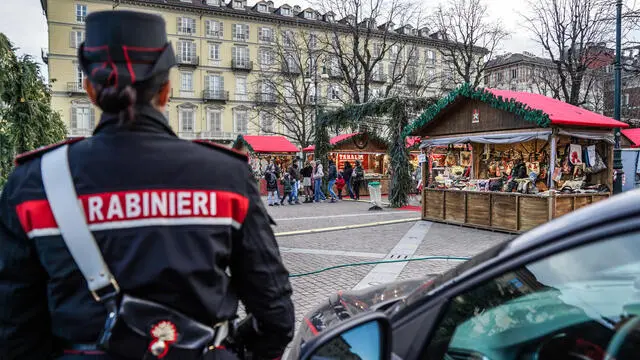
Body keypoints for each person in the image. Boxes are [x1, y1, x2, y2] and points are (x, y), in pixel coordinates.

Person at [0, 10, 294, 360]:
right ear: (166, 90)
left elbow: (14, 329)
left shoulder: (34, 182)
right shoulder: (226, 176)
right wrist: (230, 350)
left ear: (90, 89)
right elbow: (275, 315)